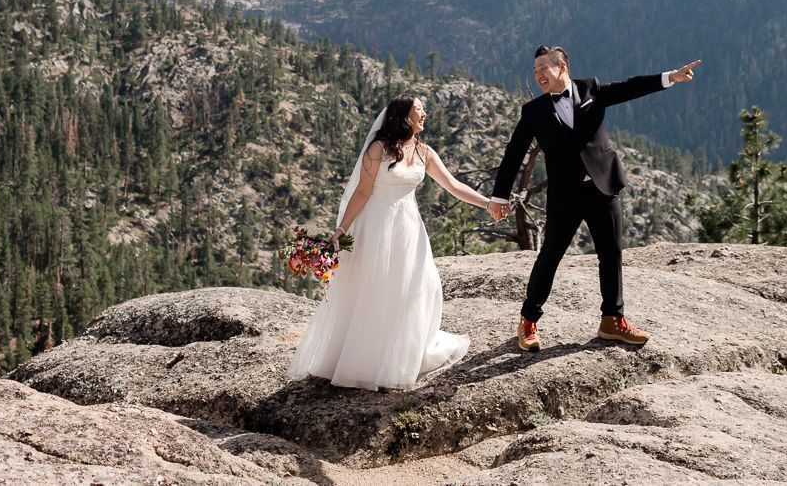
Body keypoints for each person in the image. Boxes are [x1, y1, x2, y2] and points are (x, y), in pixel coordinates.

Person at [490, 45, 699, 352]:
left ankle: (612, 321)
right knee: (550, 255)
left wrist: (670, 77)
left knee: (611, 253)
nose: (537, 76)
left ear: (562, 67)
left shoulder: (592, 89)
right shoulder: (533, 111)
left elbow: (631, 87)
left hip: (603, 185)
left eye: (542, 69)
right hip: (566, 194)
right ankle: (528, 321)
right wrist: (499, 195)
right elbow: (514, 153)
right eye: (534, 72)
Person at [286, 94, 493, 390]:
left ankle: (402, 355)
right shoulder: (378, 149)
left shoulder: (425, 153)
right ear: (404, 116)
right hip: (376, 225)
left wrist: (488, 204)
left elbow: (453, 185)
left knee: (421, 285)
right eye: (419, 109)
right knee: (375, 289)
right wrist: (342, 229)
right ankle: (367, 360)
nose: (425, 113)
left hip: (409, 227)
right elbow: (362, 192)